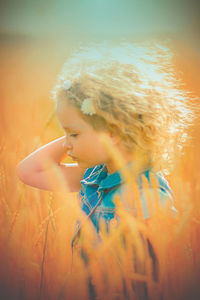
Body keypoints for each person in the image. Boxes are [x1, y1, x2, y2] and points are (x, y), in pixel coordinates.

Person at [16, 42, 191, 300]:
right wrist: (74, 132)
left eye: (74, 133)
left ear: (114, 132)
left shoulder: (149, 195)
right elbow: (28, 171)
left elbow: (169, 273)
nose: (66, 143)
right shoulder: (94, 176)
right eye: (65, 133)